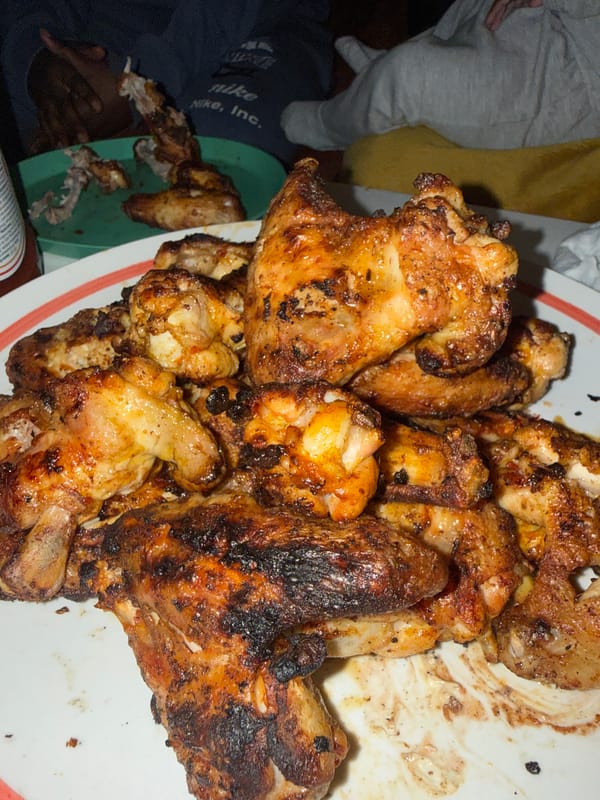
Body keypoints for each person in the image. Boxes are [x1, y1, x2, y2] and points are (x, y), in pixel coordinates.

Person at [1, 0, 333, 166]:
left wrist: (135, 80)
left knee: (217, 165)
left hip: (253, 24)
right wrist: (37, 61)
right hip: (94, 40)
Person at [280, 0, 600, 152]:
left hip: (576, 80)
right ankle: (384, 76)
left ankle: (328, 125)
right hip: (559, 22)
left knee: (410, 75)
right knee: (475, 13)